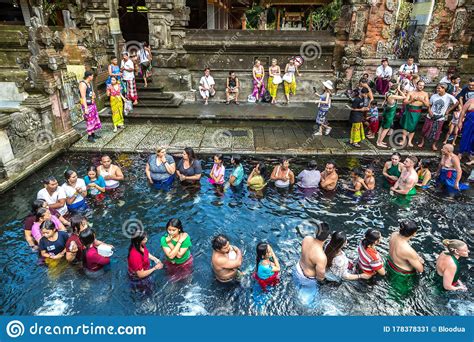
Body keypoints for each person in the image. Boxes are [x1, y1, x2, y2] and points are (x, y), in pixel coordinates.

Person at [387, 221, 424, 293]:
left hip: (389, 263)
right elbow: (420, 270)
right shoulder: (408, 250)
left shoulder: (393, 234)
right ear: (414, 233)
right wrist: (419, 260)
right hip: (401, 276)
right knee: (401, 294)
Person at [419, 83, 459, 151]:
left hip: (440, 118)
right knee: (424, 130)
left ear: (444, 89)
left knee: (437, 132)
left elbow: (457, 102)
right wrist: (429, 111)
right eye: (437, 88)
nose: (437, 89)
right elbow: (429, 105)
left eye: (439, 88)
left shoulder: (448, 96)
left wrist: (448, 110)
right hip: (430, 116)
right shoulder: (434, 96)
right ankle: (422, 142)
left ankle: (434, 145)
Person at [400, 80, 430, 147]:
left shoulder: (425, 94)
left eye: (422, 85)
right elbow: (404, 102)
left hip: (417, 112)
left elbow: (427, 105)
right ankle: (403, 140)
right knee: (405, 126)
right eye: (420, 85)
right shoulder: (411, 92)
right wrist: (412, 100)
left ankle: (409, 141)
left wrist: (422, 100)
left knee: (413, 127)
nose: (421, 87)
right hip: (409, 110)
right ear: (416, 85)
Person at [376, 82, 406, 148]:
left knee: (382, 127)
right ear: (396, 90)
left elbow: (384, 102)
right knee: (386, 128)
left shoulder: (387, 93)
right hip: (389, 115)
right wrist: (400, 90)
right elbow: (404, 97)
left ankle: (378, 141)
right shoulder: (393, 96)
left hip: (386, 112)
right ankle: (379, 142)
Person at [79, 71, 102, 142]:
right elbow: (83, 97)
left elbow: (91, 92)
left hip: (92, 103)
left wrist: (93, 95)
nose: (92, 77)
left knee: (93, 119)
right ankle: (89, 136)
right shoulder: (83, 84)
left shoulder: (89, 83)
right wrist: (85, 108)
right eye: (92, 76)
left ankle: (93, 134)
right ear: (89, 76)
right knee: (89, 120)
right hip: (87, 105)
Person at [458, 98, 474, 165]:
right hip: (469, 123)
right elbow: (463, 111)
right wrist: (460, 122)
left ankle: (472, 155)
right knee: (465, 136)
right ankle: (460, 153)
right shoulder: (471, 100)